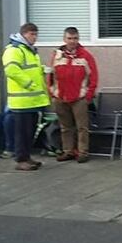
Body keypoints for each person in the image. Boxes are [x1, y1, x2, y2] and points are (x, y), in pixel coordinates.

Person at [3, 22, 51, 171]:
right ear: (24, 34)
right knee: (22, 133)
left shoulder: (29, 51)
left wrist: (43, 69)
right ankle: (21, 159)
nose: (34, 37)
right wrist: (28, 83)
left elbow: (29, 69)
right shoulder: (14, 50)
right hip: (22, 100)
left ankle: (27, 157)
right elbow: (11, 70)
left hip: (32, 101)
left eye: (36, 34)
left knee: (29, 132)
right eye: (32, 34)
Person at [48, 27, 99, 164]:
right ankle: (68, 151)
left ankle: (83, 152)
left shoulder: (86, 56)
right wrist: (52, 93)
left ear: (78, 39)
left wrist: (88, 96)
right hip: (60, 97)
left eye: (75, 38)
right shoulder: (57, 56)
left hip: (79, 99)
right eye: (69, 38)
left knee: (82, 127)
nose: (72, 41)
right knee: (65, 127)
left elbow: (93, 78)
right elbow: (51, 76)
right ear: (64, 39)